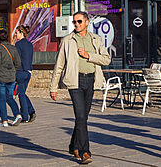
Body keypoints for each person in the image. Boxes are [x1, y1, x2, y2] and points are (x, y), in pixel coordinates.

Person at [49, 11, 111, 165]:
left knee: (83, 117)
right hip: (75, 81)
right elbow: (59, 65)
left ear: (87, 22)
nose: (76, 25)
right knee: (81, 116)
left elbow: (106, 59)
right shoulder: (67, 40)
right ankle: (85, 151)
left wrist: (89, 55)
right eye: (74, 22)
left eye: (79, 22)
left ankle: (73, 146)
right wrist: (53, 87)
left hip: (90, 80)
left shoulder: (95, 39)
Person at [0, 29, 22, 126]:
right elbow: (18, 63)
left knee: (2, 99)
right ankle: (17, 114)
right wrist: (12, 71)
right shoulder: (13, 48)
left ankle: (4, 121)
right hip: (11, 77)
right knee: (10, 97)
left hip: (0, 77)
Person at [13, 25, 37, 123]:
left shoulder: (18, 44)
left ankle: (25, 116)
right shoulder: (30, 44)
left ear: (21, 33)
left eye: (17, 33)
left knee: (21, 94)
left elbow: (17, 60)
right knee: (22, 92)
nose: (15, 35)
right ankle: (30, 111)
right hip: (28, 71)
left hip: (21, 71)